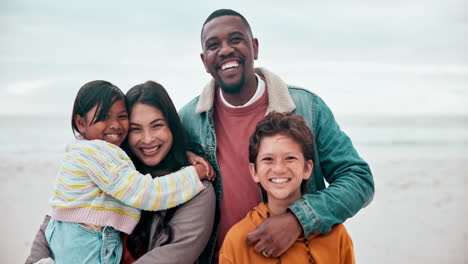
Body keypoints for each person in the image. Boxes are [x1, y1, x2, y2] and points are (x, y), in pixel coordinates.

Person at [178, 9, 374, 263]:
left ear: (255, 47)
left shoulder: (308, 107)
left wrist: (298, 219)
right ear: (205, 61)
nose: (226, 50)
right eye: (214, 45)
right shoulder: (188, 120)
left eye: (236, 39)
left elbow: (358, 179)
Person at [26, 81, 216, 264]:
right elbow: (54, 221)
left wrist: (185, 158)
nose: (147, 139)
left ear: (172, 127)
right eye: (135, 129)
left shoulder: (199, 192)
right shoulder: (112, 170)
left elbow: (172, 256)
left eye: (157, 125)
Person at [219, 112, 355, 263]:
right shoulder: (238, 239)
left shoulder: (336, 235)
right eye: (268, 159)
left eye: (290, 158)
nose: (279, 168)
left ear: (307, 168)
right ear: (254, 171)